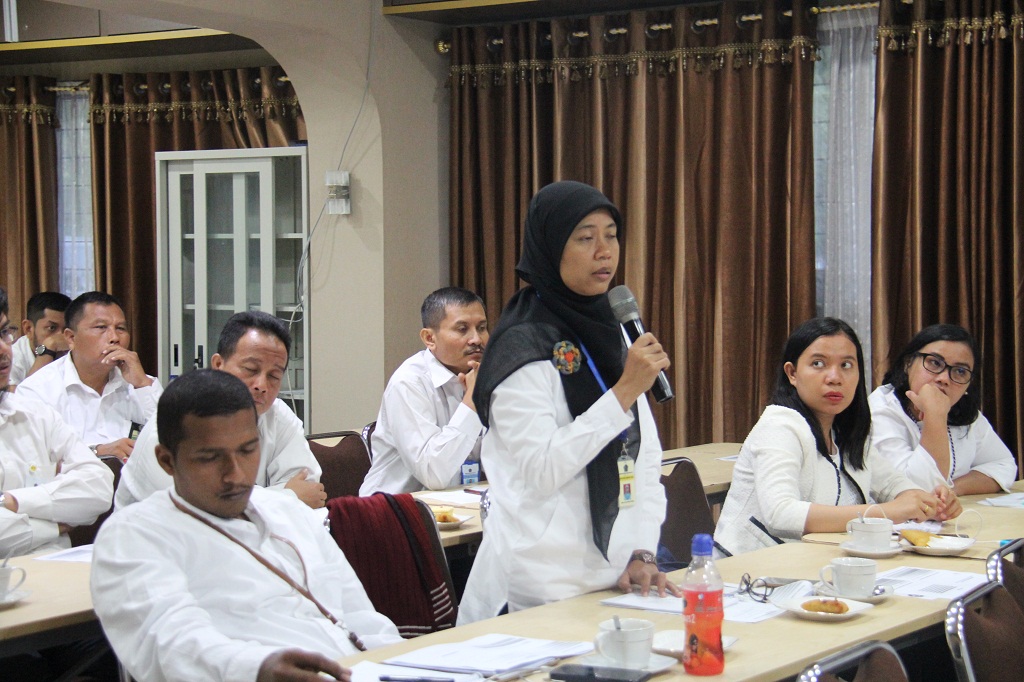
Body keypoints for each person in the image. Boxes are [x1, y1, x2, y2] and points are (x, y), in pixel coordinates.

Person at [458, 181, 678, 624]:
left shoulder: (611, 331)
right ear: (551, 247)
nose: (604, 251)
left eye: (611, 235)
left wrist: (641, 552)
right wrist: (622, 393)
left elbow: (644, 459)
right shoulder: (521, 346)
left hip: (614, 581)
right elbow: (542, 470)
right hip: (536, 588)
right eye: (585, 237)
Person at [91, 369, 400, 682]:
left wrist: (400, 664)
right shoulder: (134, 535)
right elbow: (171, 644)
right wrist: (257, 669)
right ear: (167, 461)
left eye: (247, 450)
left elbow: (363, 618)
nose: (235, 474)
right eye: (210, 458)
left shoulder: (288, 511)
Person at [714, 317, 962, 557]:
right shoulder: (780, 426)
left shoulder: (846, 430)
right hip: (751, 572)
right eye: (818, 364)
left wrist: (926, 501)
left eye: (846, 365)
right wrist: (887, 511)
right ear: (792, 373)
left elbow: (892, 485)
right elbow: (781, 514)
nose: (834, 377)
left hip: (818, 565)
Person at [116, 311, 324, 510]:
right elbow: (209, 507)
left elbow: (308, 486)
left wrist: (284, 498)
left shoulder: (276, 414)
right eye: (251, 369)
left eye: (274, 376)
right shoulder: (173, 424)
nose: (261, 385)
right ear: (218, 364)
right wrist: (289, 497)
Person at [0, 287, 113, 557]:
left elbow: (99, 486)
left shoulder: (35, 413)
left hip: (60, 570)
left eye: (3, 333)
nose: (4, 349)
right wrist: (52, 526)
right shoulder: (37, 391)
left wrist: (13, 501)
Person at [359, 287, 488, 495]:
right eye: (462, 329)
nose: (477, 339)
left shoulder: (486, 375)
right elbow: (433, 474)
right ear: (429, 338)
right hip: (395, 509)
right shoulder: (409, 383)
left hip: (460, 503)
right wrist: (472, 403)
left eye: (482, 328)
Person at [870, 324, 1017, 495]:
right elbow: (916, 489)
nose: (944, 378)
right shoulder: (880, 410)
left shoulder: (964, 413)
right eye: (934, 363)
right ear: (908, 364)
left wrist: (950, 490)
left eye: (960, 371)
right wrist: (935, 416)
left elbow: (1003, 465)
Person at [17, 291, 162, 461]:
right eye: (101, 327)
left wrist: (142, 384)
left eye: (120, 328)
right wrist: (97, 451)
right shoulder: (36, 391)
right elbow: (31, 459)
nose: (114, 338)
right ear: (71, 338)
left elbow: (172, 443)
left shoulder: (141, 385)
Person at [8, 291, 71, 387]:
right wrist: (48, 349)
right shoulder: (10, 359)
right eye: (52, 328)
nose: (61, 337)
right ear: (28, 329)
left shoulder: (74, 349)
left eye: (66, 329)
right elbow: (22, 396)